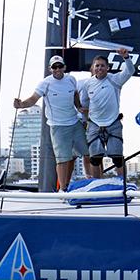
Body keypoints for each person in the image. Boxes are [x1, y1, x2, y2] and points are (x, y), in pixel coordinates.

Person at [13, 55, 89, 191]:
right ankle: (63, 189)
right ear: (50, 69)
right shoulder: (45, 83)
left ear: (64, 67)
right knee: (63, 159)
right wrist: (21, 105)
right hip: (58, 126)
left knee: (87, 152)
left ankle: (91, 180)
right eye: (54, 67)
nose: (57, 69)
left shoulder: (71, 79)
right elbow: (33, 99)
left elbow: (75, 94)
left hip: (74, 122)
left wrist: (78, 107)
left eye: (60, 66)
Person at [78, 48, 135, 178]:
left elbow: (130, 71)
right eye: (97, 66)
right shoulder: (87, 84)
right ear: (93, 68)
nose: (99, 68)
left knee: (117, 158)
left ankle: (122, 184)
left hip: (113, 122)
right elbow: (85, 103)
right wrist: (84, 116)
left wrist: (126, 57)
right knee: (95, 158)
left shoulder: (115, 79)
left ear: (108, 68)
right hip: (94, 124)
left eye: (102, 66)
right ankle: (97, 184)